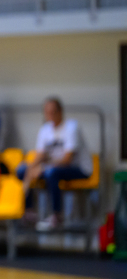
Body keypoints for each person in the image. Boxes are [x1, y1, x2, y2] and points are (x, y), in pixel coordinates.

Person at [16, 97, 94, 231]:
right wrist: (31, 167)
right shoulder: (45, 129)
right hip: (53, 167)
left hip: (79, 169)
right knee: (22, 170)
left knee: (51, 172)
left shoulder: (72, 127)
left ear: (60, 112)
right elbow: (40, 154)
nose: (50, 115)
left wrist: (43, 167)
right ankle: (29, 211)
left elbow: (67, 159)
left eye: (53, 112)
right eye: (47, 112)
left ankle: (57, 215)